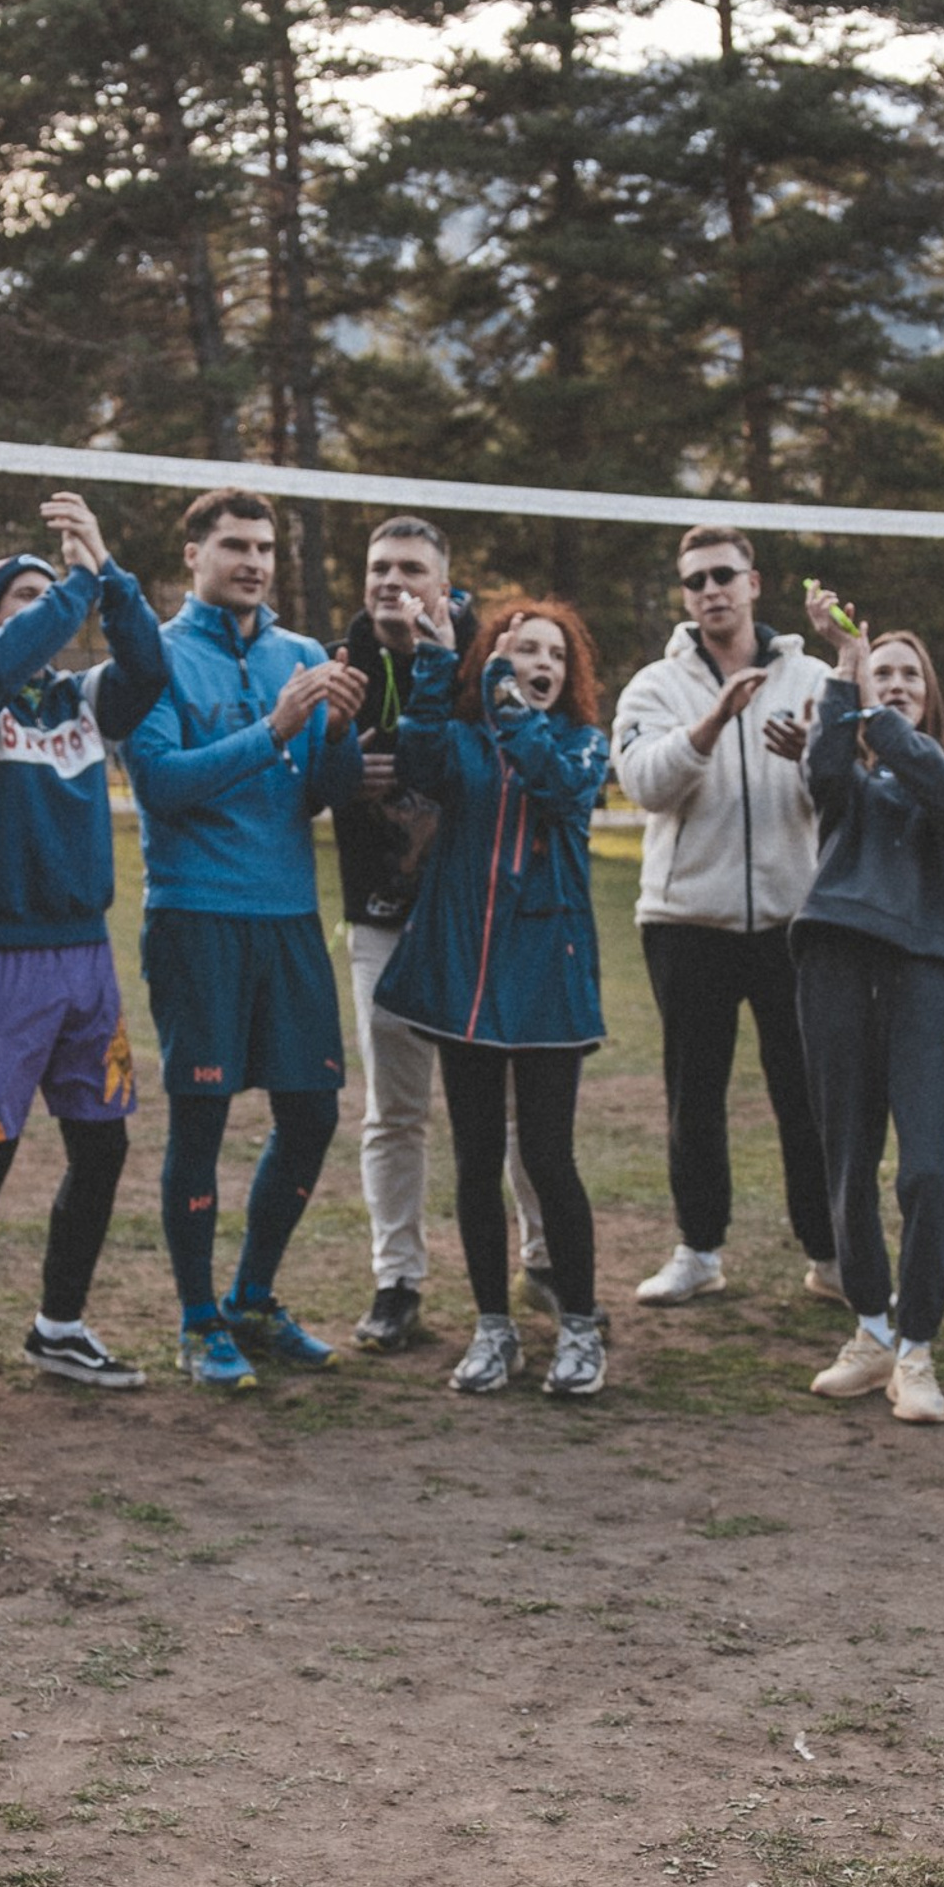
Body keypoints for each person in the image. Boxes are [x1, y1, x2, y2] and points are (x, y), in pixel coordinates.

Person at [0, 491, 169, 1405]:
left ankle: (59, 1327)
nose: (43, 607)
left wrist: (113, 581)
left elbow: (148, 667)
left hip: (84, 960)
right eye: (22, 596)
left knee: (101, 1150)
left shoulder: (81, 704)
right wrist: (78, 585)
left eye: (46, 593)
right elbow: (12, 651)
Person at [124, 488, 366, 1388]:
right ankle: (197, 1320)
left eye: (264, 548)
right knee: (201, 1119)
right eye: (234, 546)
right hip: (196, 918)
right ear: (194, 554)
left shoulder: (301, 656)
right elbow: (159, 785)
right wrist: (276, 728)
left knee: (313, 1113)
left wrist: (336, 730)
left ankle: (254, 1298)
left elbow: (318, 792)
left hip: (291, 919)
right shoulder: (154, 654)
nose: (254, 562)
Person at [374, 596, 613, 1397]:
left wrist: (507, 697)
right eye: (522, 650)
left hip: (547, 978)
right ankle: (493, 1330)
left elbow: (556, 789)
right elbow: (416, 758)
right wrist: (440, 659)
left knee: (547, 1156)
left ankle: (579, 1327)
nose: (540, 665)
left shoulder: (581, 744)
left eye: (553, 655)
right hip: (464, 981)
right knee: (475, 1159)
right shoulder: (465, 743)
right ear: (492, 663)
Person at [331, 518, 550, 1349]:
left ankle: (542, 1261)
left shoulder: (481, 659)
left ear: (443, 583)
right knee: (395, 1111)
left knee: (508, 1109)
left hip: (474, 921)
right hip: (380, 915)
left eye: (411, 568)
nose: (393, 580)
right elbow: (308, 788)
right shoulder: (338, 664)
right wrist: (344, 767)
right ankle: (398, 1282)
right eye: (379, 566)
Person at [611, 523, 838, 1305]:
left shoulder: (812, 676)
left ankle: (830, 1256)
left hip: (791, 921)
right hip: (686, 922)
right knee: (694, 1097)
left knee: (804, 1097)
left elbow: (845, 792)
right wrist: (709, 725)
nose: (710, 591)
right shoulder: (654, 686)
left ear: (754, 583)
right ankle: (698, 1251)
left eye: (723, 577)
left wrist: (814, 754)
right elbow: (643, 784)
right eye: (696, 581)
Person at [791, 591, 944, 1426]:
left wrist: (873, 702)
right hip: (835, 959)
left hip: (929, 969)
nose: (896, 683)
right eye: (886, 671)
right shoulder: (847, 763)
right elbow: (822, 772)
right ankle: (871, 1330)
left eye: (910, 675)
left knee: (924, 1169)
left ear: (927, 693)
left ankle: (917, 1349)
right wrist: (845, 669)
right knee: (847, 1159)